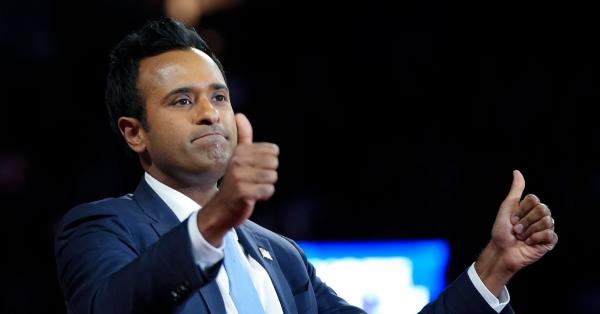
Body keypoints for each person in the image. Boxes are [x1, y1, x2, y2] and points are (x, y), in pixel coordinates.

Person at [54, 18, 558, 314]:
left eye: (219, 97)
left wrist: (495, 265)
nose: (210, 112)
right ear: (133, 131)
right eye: (182, 101)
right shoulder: (102, 227)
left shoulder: (282, 256)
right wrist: (217, 217)